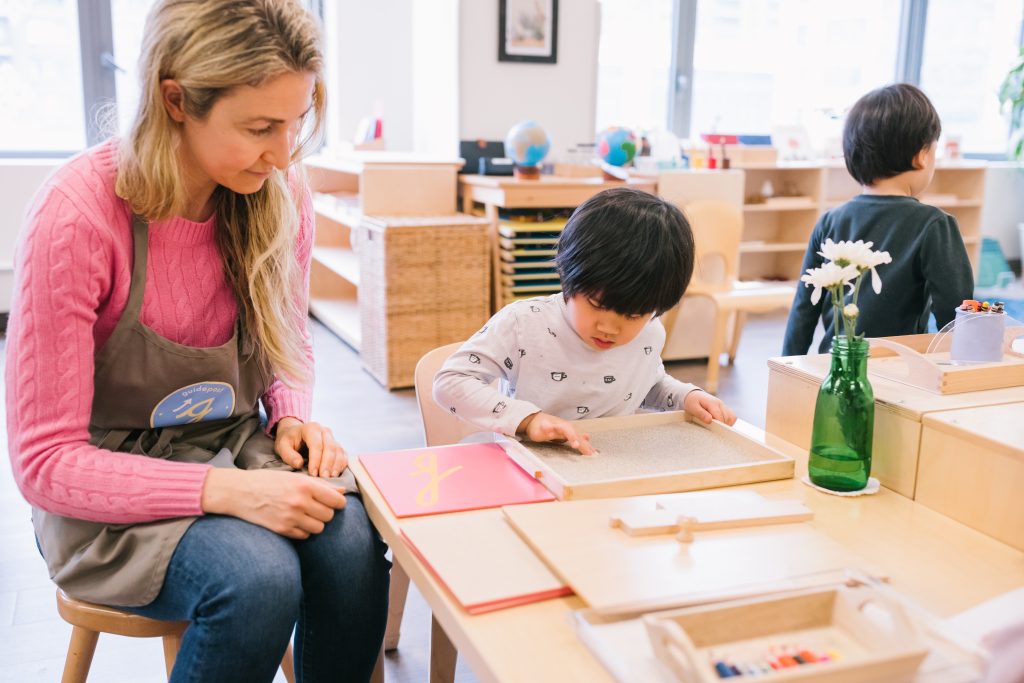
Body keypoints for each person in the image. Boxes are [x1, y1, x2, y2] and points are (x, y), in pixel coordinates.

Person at [5, 2, 389, 681]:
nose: (284, 154)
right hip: (103, 488)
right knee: (258, 578)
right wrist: (228, 492)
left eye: (296, 122)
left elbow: (286, 339)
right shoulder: (78, 216)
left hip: (231, 442)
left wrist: (292, 411)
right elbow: (46, 463)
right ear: (175, 99)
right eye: (260, 128)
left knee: (355, 542)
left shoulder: (278, 192)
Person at [433, 187, 737, 455]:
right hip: (532, 464)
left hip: (614, 466)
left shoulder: (649, 333)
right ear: (569, 273)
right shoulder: (524, 324)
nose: (610, 328)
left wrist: (685, 396)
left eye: (633, 315)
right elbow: (450, 382)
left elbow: (644, 384)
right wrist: (528, 420)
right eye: (597, 304)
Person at [782, 83, 973, 355]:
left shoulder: (829, 222)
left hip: (835, 370)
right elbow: (956, 318)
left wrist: (787, 368)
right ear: (921, 156)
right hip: (901, 373)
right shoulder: (934, 225)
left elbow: (803, 310)